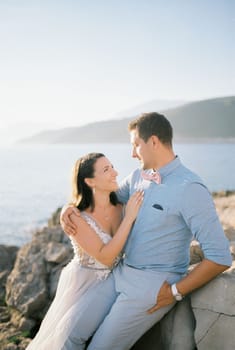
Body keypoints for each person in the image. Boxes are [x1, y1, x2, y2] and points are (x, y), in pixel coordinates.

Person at [61, 112, 232, 350]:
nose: (132, 154)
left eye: (135, 146)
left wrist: (174, 292)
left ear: (153, 141)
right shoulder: (136, 177)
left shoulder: (190, 188)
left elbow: (220, 256)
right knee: (69, 336)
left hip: (151, 287)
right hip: (119, 273)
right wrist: (69, 209)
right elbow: (102, 199)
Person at [26, 152, 143, 350]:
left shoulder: (123, 206)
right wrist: (130, 218)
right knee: (66, 337)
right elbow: (106, 258)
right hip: (83, 284)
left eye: (112, 166)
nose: (115, 173)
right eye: (106, 169)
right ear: (89, 181)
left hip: (117, 279)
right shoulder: (76, 217)